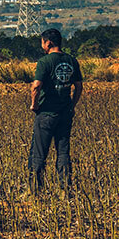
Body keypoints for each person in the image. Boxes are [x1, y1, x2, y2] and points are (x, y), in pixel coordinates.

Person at [28, 28, 82, 195]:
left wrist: (34, 105)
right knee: (63, 151)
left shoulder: (45, 62)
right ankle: (66, 189)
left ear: (48, 43)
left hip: (46, 113)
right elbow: (79, 86)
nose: (42, 46)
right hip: (65, 113)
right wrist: (72, 105)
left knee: (39, 153)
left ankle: (36, 191)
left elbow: (36, 86)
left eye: (43, 43)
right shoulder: (71, 60)